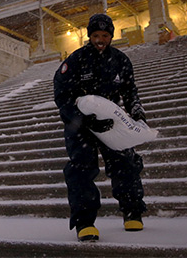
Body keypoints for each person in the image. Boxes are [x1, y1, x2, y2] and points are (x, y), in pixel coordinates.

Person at [53, 13, 147, 242]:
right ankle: (85, 223)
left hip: (111, 122)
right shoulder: (75, 61)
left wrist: (137, 114)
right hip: (81, 125)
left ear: (111, 36)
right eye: (96, 35)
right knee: (81, 170)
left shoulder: (121, 60)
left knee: (126, 163)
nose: (100, 39)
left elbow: (130, 91)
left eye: (105, 35)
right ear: (89, 35)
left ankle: (132, 212)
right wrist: (82, 120)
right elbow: (62, 96)